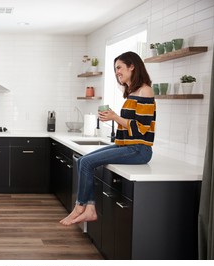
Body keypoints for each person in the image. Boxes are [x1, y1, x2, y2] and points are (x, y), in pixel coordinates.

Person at [60, 51, 156, 226]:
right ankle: (89, 208)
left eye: (119, 67)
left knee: (87, 163)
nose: (117, 72)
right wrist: (112, 117)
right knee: (82, 161)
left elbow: (141, 129)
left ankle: (80, 207)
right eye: (115, 69)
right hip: (126, 146)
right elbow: (130, 123)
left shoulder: (145, 90)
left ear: (132, 66)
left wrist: (115, 117)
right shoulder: (133, 92)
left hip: (139, 149)